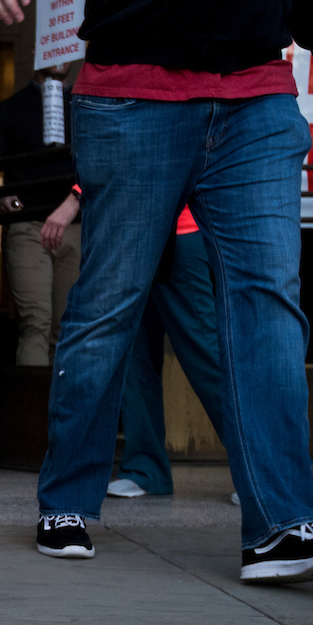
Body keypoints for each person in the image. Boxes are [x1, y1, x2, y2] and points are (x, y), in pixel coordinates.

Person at [0, 0, 313, 584]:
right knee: (109, 304)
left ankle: (281, 526)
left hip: (256, 101)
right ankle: (67, 500)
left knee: (268, 305)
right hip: (134, 97)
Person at [110, 207, 225, 499]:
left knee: (206, 353)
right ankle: (146, 470)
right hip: (130, 235)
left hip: (178, 231)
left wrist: (76, 195)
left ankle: (263, 472)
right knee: (134, 355)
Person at [0, 64, 81, 366]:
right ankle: (33, 412)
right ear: (37, 50)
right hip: (28, 227)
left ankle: (61, 413)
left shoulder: (87, 107)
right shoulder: (10, 109)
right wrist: (0, 195)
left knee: (67, 330)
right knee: (36, 324)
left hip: (77, 230)